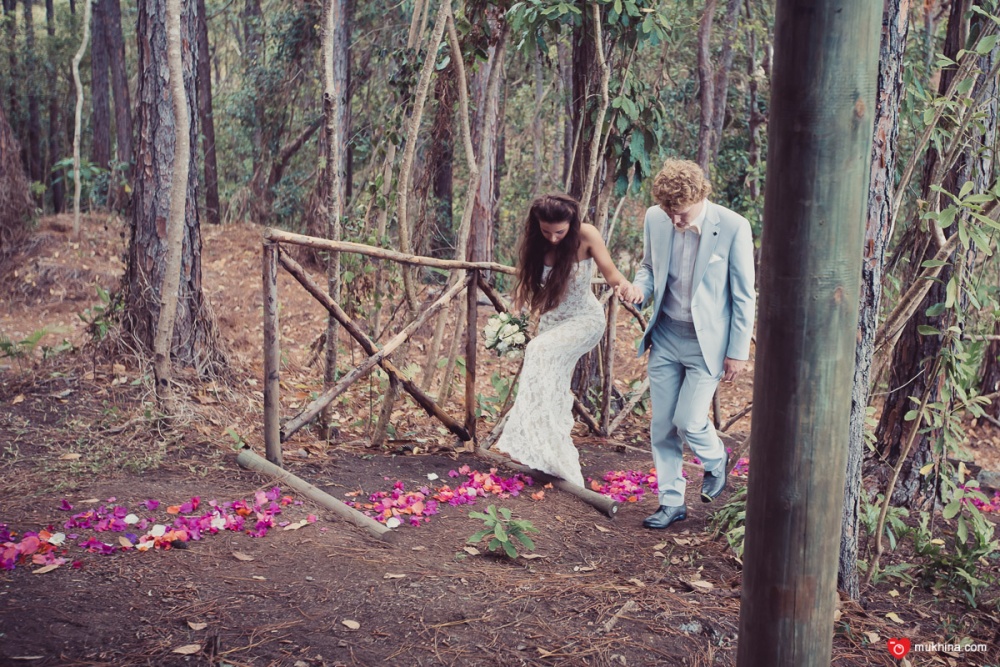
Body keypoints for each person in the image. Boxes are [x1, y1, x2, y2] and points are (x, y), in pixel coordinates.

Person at [624, 159, 756, 529]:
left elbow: (744, 295)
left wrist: (737, 352)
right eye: (669, 212)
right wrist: (640, 290)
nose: (675, 219)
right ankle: (671, 503)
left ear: (700, 197)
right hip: (666, 335)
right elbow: (649, 267)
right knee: (663, 425)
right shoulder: (656, 218)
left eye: (681, 212)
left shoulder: (733, 226)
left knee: (689, 420)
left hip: (707, 344)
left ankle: (716, 459)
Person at [494, 193, 638, 487]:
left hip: (584, 320)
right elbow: (524, 282)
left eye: (559, 232)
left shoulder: (587, 235)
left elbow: (612, 274)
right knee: (552, 385)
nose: (553, 238)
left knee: (537, 350)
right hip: (551, 323)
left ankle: (552, 454)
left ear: (571, 223)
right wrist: (513, 313)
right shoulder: (536, 240)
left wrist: (625, 286)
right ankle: (546, 454)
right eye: (547, 231)